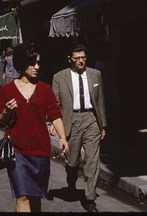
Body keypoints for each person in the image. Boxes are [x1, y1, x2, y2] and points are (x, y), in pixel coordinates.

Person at [0, 42, 69, 213]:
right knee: (22, 196)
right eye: (32, 62)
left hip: (40, 150)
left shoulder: (45, 90)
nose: (37, 67)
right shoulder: (7, 91)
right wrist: (6, 111)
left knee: (35, 196)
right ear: (21, 63)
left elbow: (55, 115)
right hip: (16, 151)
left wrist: (63, 138)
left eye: (39, 63)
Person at [51, 44, 107, 212]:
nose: (81, 60)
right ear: (70, 59)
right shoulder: (59, 77)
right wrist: (53, 123)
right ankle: (71, 182)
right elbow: (55, 104)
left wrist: (102, 124)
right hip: (71, 120)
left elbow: (101, 101)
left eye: (83, 57)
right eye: (77, 58)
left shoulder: (95, 74)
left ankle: (90, 198)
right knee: (72, 161)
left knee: (92, 160)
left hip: (91, 119)